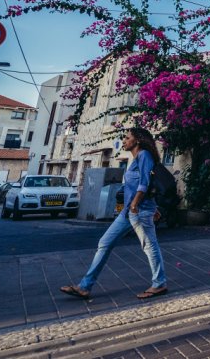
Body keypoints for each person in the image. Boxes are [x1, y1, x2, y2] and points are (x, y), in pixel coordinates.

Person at [59, 127, 167, 300]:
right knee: (105, 243)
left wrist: (134, 204)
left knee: (149, 246)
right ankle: (85, 287)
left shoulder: (144, 155)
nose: (124, 140)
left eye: (127, 137)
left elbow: (144, 184)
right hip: (128, 211)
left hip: (139, 210)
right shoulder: (135, 160)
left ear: (137, 140)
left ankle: (159, 283)